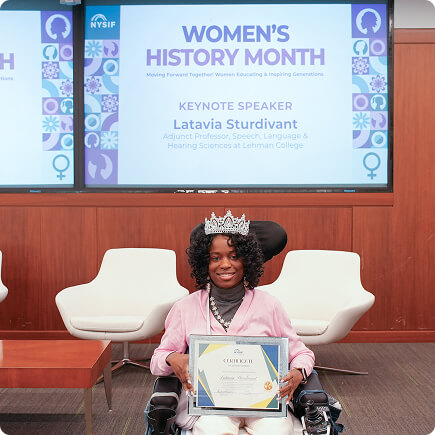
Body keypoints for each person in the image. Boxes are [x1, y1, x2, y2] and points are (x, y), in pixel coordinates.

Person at [150, 211, 315, 435]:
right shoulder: (185, 308)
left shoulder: (270, 305)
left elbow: (302, 353)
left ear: (247, 261)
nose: (225, 264)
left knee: (276, 431)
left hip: (265, 404)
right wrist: (172, 358)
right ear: (205, 263)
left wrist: (298, 372)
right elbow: (157, 360)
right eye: (215, 258)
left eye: (234, 256)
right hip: (211, 408)